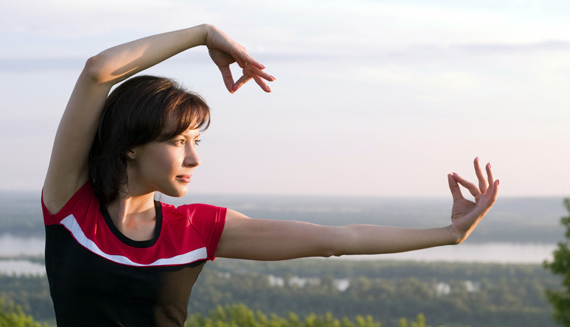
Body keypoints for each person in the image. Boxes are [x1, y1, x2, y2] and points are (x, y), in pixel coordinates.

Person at [41, 24, 499, 327]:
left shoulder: (195, 229)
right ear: (130, 146)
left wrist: (449, 233)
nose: (194, 160)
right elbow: (98, 73)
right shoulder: (71, 206)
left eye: (197, 142)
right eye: (179, 142)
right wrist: (202, 34)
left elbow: (335, 239)